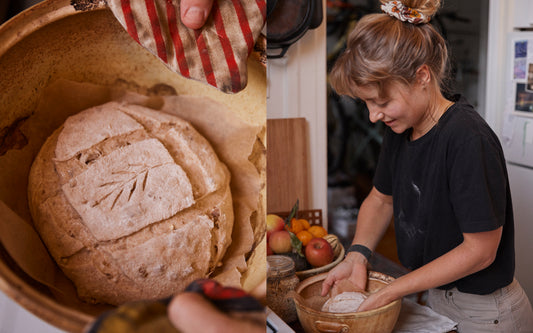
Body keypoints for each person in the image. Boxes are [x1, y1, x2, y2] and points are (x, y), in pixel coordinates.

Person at [320, 0, 533, 331]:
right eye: (366, 104)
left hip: (486, 313)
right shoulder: (402, 128)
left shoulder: (466, 138)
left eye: (382, 102)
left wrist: (393, 290)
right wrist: (356, 255)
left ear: (422, 76)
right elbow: (380, 199)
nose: (373, 116)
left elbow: (480, 252)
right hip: (438, 295)